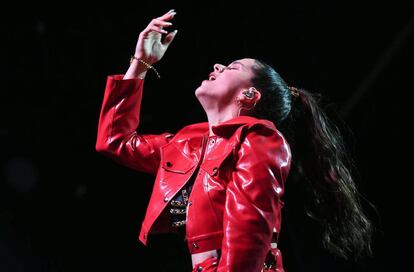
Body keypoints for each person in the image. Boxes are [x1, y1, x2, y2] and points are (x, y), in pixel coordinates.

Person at [95, 9, 373, 272]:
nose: (217, 65)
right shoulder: (189, 142)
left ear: (249, 96)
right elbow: (115, 140)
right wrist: (140, 61)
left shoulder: (260, 139)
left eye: (233, 67)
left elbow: (248, 240)